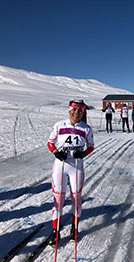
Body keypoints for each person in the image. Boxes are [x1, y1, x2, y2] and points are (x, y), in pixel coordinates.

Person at [47, 99, 95, 246]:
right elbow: (50, 142)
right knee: (58, 200)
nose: (76, 113)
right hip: (61, 165)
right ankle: (55, 231)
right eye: (74, 110)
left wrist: (83, 154)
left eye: (80, 111)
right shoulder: (59, 125)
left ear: (83, 113)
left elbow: (91, 146)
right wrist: (56, 152)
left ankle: (74, 228)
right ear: (69, 110)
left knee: (76, 198)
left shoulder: (86, 128)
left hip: (76, 166)